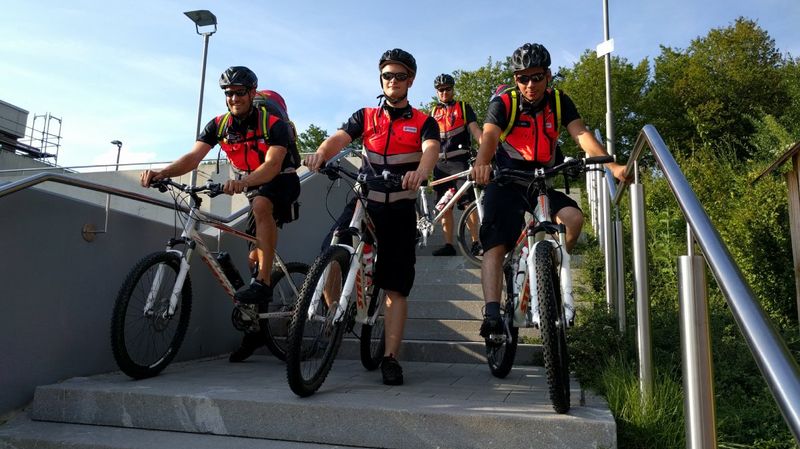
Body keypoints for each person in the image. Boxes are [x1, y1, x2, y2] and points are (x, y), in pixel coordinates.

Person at [140, 66, 301, 361]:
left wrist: (242, 182)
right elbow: (193, 157)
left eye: (240, 92)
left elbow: (273, 165)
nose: (234, 98)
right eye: (229, 93)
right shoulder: (219, 125)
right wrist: (161, 172)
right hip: (253, 185)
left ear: (252, 93)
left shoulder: (273, 123)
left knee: (261, 205)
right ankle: (254, 330)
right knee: (253, 256)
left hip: (281, 179)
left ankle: (264, 284)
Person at [470, 43, 627, 340]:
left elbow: (580, 133)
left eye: (537, 77)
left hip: (542, 179)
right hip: (506, 179)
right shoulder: (505, 103)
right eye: (523, 78)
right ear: (515, 79)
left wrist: (612, 166)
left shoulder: (559, 101)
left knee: (573, 219)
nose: (530, 85)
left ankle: (545, 277)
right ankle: (491, 313)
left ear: (548, 75)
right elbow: (489, 135)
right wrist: (482, 163)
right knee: (495, 243)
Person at [305, 49, 440, 385]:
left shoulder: (424, 121)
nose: (392, 81)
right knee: (330, 252)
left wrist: (421, 172)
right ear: (381, 79)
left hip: (400, 208)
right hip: (365, 201)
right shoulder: (366, 115)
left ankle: (391, 358)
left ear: (411, 80)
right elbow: (340, 137)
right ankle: (337, 314)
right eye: (387, 76)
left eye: (399, 76)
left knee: (395, 285)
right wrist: (322, 153)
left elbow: (431, 151)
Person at [428, 73, 483, 257]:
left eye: (447, 89)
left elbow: (476, 130)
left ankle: (476, 242)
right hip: (439, 165)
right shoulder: (433, 112)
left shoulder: (463, 107)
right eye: (441, 90)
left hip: (460, 162)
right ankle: (449, 245)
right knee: (444, 206)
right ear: (437, 92)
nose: (444, 92)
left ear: (453, 89)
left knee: (467, 202)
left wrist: (487, 148)